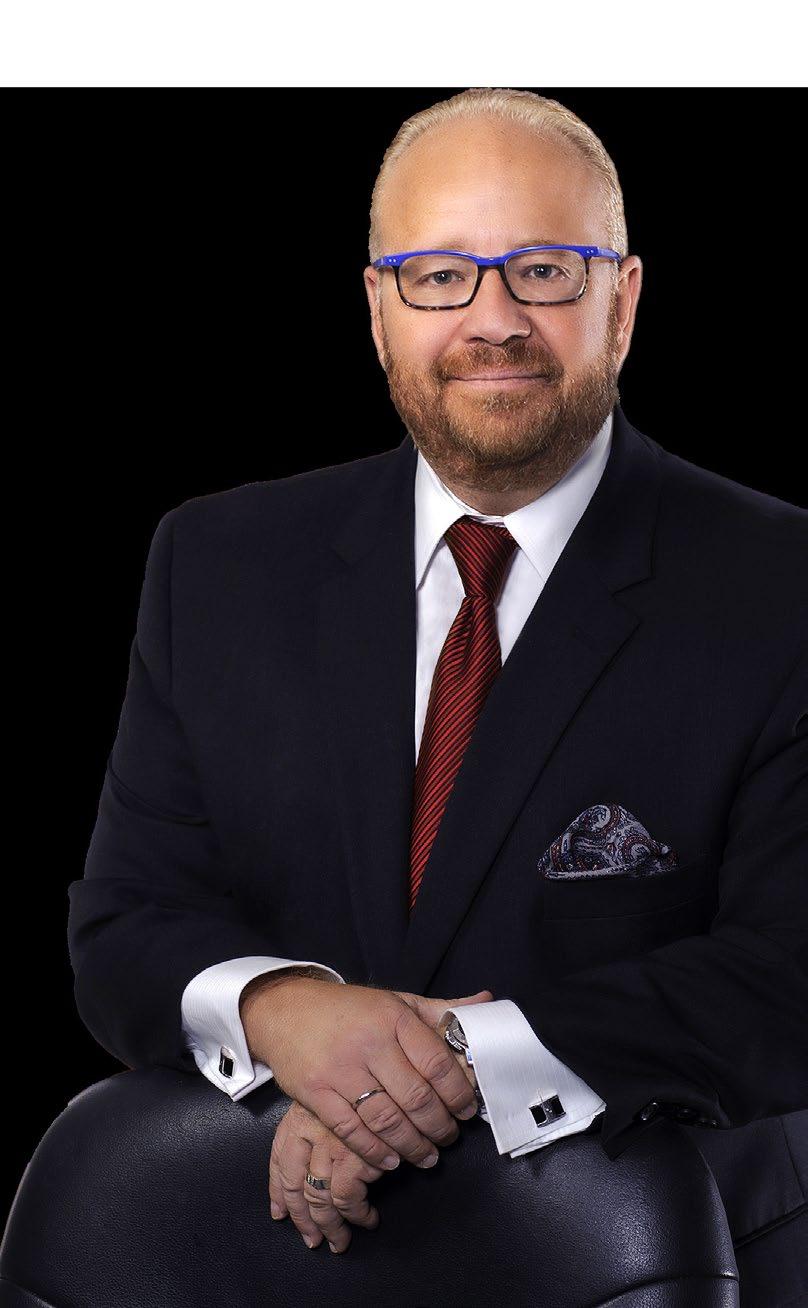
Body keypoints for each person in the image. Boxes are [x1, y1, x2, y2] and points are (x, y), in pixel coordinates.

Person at [69, 88, 808, 1301]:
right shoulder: (216, 564)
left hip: (671, 1268)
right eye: (439, 276)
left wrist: (442, 1060)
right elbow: (126, 924)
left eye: (544, 271)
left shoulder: (783, 584)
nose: (493, 319)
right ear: (377, 309)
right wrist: (288, 1014)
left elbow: (787, 972)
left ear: (623, 301)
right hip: (272, 1260)